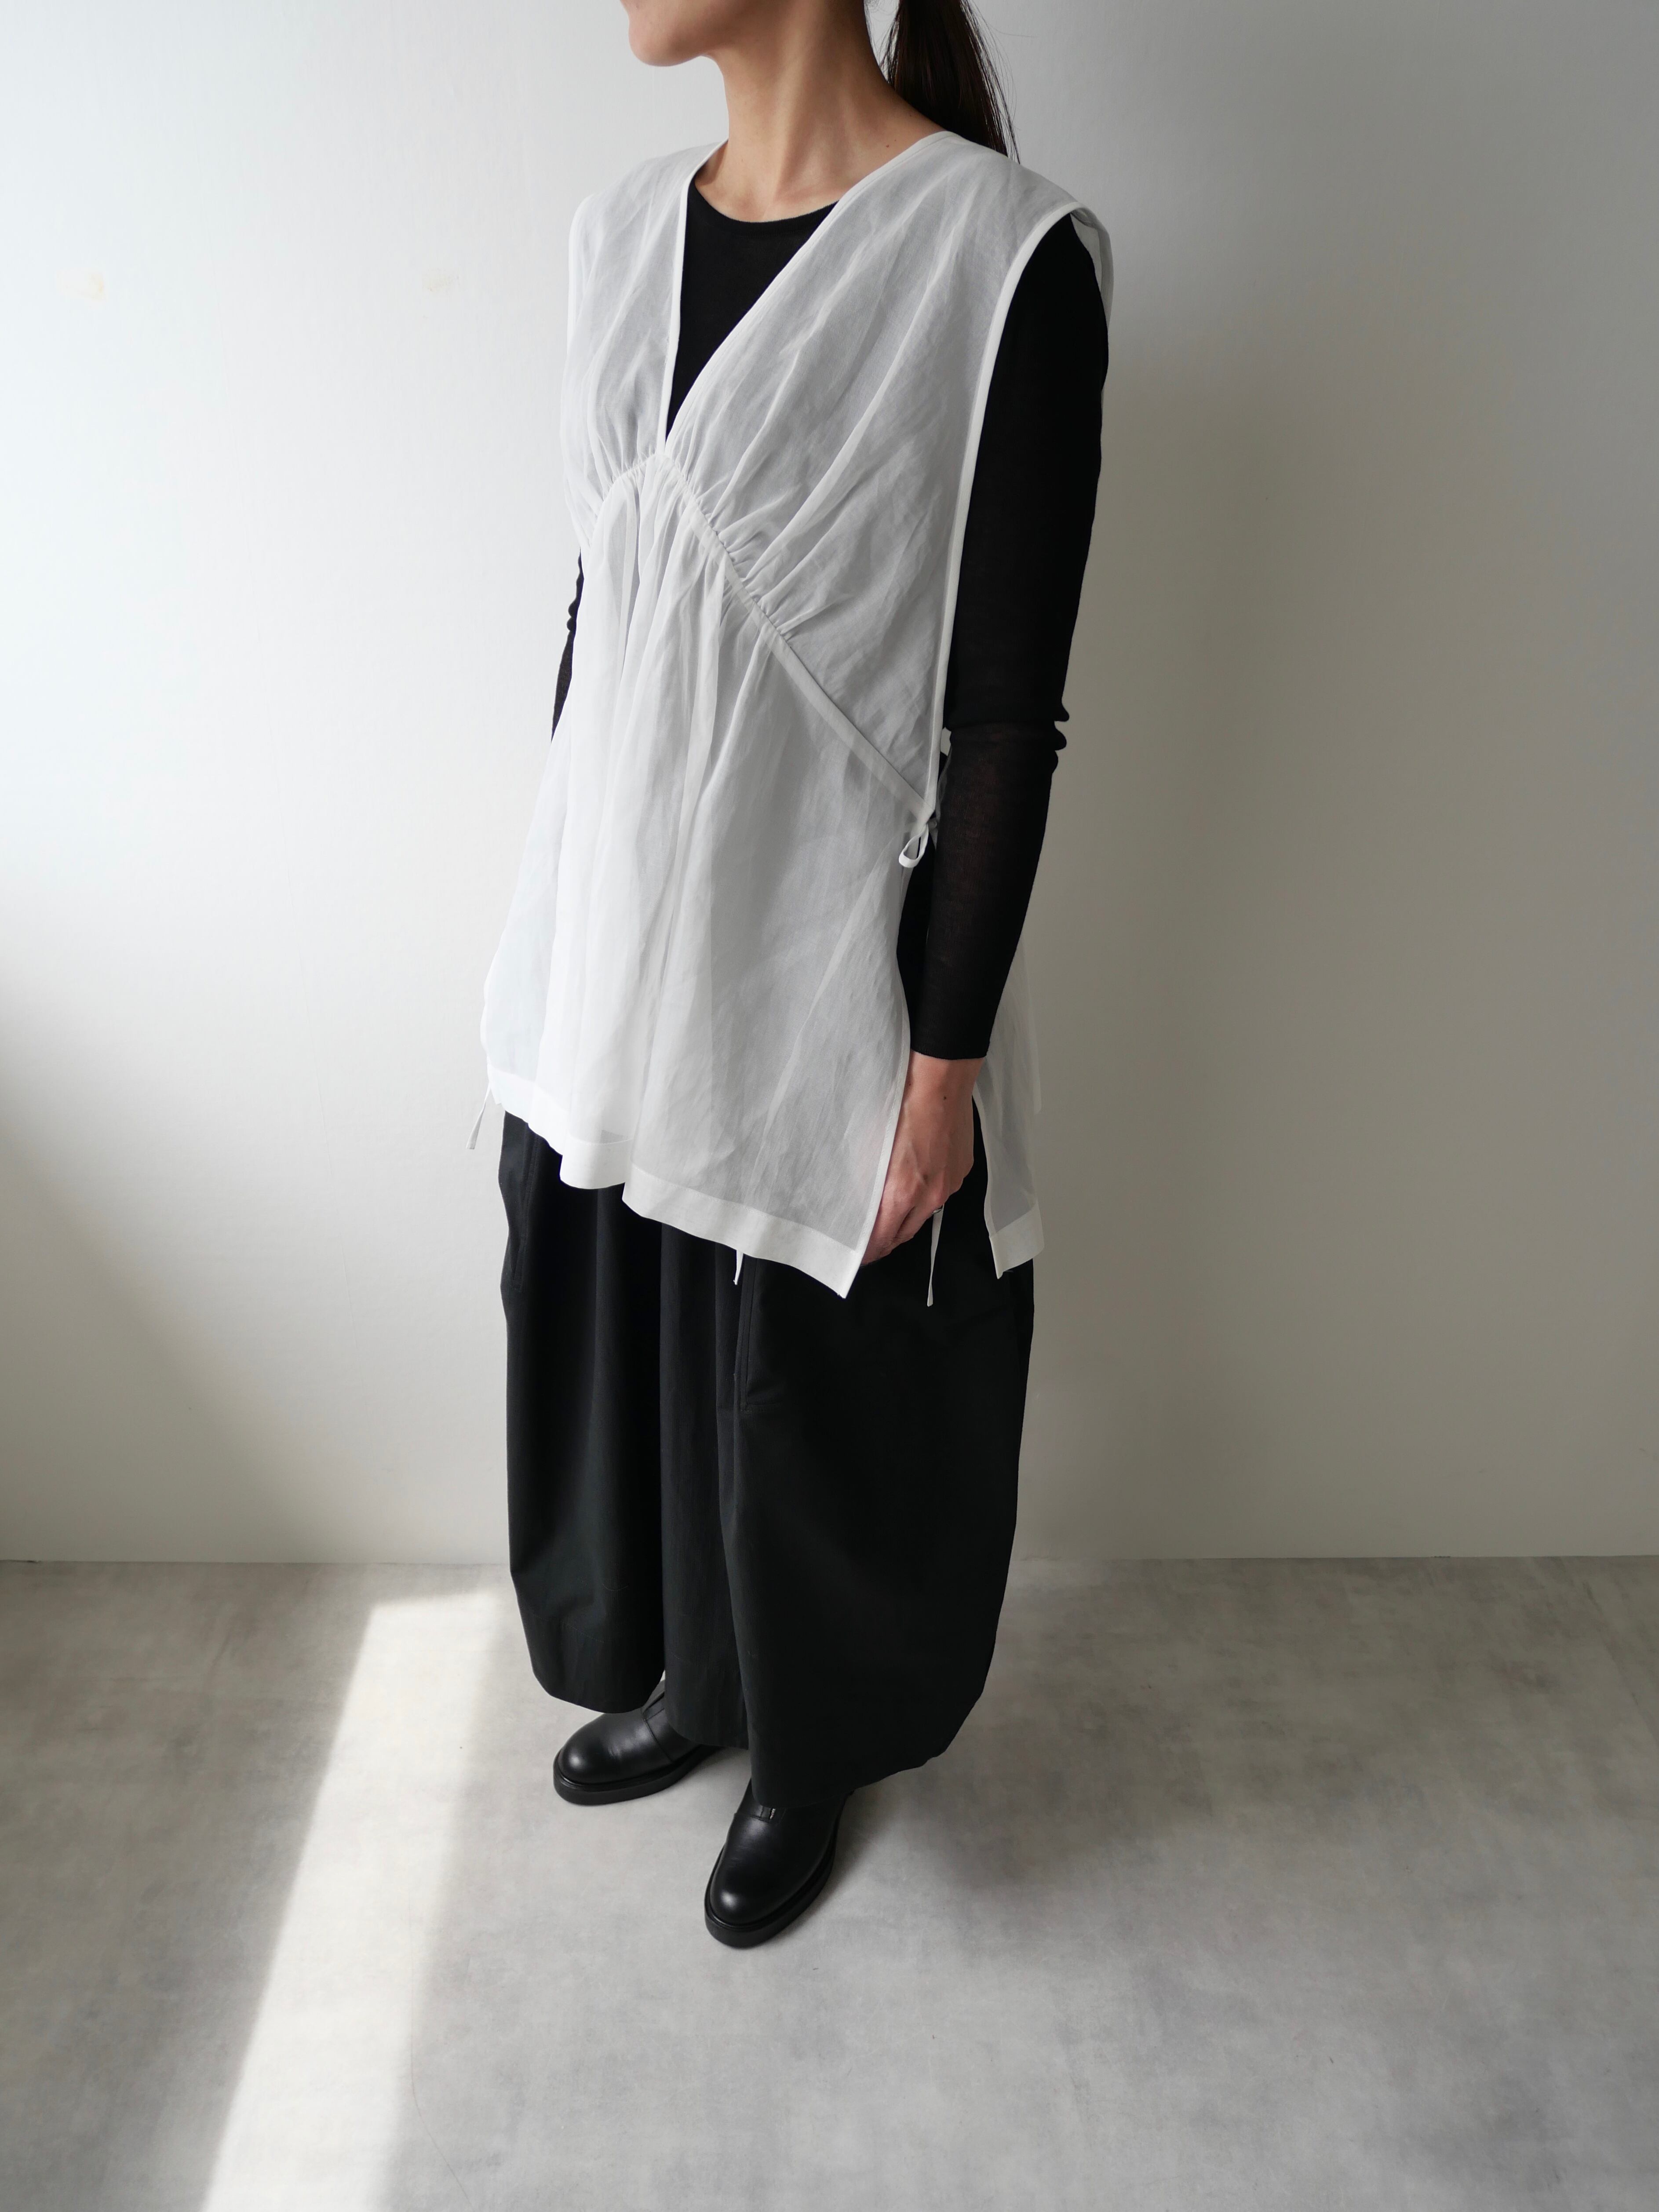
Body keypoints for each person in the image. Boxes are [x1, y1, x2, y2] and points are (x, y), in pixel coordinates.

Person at [482, 0, 1109, 1947]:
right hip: (619, 948)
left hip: (821, 961)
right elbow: (607, 597)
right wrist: (565, 926)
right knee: (647, 1346)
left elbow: (1001, 720)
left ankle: (805, 1751)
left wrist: (942, 1065)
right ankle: (693, 1680)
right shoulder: (614, 236)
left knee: (796, 1386)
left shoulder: (997, 260)